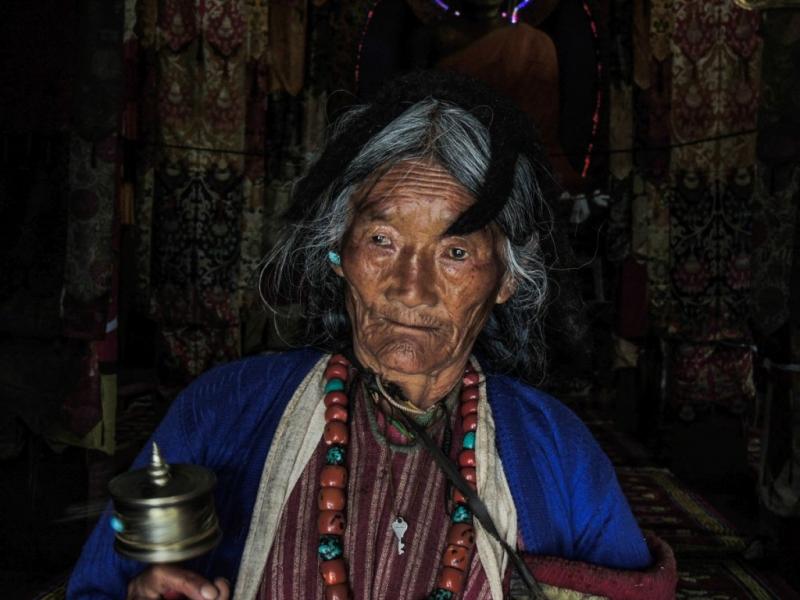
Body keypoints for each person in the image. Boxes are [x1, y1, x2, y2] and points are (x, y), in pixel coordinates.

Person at [68, 71, 676, 600]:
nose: (410, 288)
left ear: (507, 280)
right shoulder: (221, 412)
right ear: (338, 251)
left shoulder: (559, 456)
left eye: (456, 251)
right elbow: (100, 587)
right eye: (382, 241)